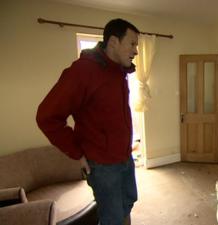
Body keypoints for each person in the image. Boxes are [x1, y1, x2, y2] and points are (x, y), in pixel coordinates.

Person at [37, 18, 140, 225]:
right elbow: (46, 117)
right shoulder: (82, 71)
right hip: (102, 166)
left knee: (127, 203)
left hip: (125, 158)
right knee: (111, 217)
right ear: (113, 42)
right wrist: (77, 153)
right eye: (132, 43)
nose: (136, 50)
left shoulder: (119, 70)